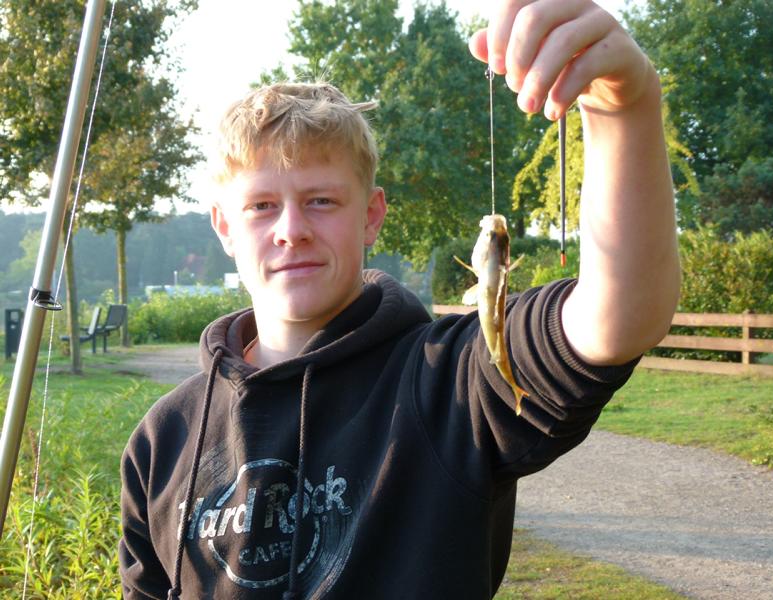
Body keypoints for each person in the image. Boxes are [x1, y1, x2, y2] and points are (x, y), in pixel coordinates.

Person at [118, 1, 680, 598]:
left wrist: (624, 106)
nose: (291, 230)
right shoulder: (161, 441)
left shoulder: (450, 383)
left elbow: (617, 316)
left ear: (372, 215)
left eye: (321, 201)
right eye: (261, 206)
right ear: (224, 227)